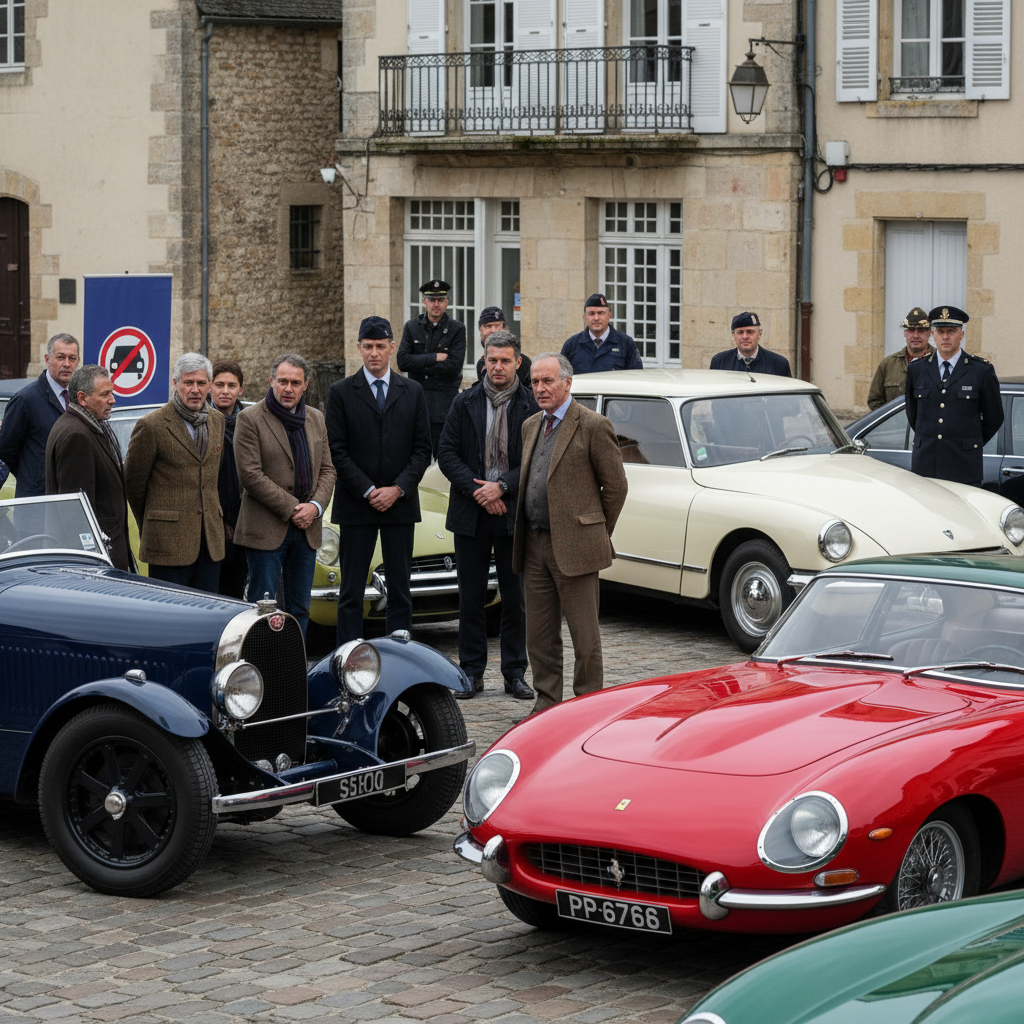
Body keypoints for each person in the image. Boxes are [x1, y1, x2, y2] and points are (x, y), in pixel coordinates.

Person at [512, 353, 627, 713]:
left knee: (584, 637)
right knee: (540, 635)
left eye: (548, 381)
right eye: (535, 382)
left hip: (575, 548)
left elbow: (616, 487)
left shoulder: (593, 425)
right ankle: (546, 705)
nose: (540, 389)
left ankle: (587, 706)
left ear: (567, 383)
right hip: (533, 545)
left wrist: (593, 531)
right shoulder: (531, 425)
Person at [439, 329, 539, 701]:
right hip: (471, 514)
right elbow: (446, 453)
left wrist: (503, 487)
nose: (497, 366)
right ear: (483, 361)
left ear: (517, 362)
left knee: (515, 600)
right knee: (471, 598)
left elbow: (534, 457)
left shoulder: (531, 406)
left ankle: (515, 673)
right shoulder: (463, 403)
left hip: (513, 514)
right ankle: (471, 671)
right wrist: (480, 490)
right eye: (491, 360)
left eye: (505, 360)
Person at [327, 316, 432, 645]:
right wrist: (370, 490)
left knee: (401, 588)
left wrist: (398, 489)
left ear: (391, 348)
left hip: (399, 506)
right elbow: (337, 451)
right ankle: (348, 655)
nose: (374, 353)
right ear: (359, 348)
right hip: (357, 505)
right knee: (351, 591)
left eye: (380, 347)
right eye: (368, 347)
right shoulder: (341, 392)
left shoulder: (412, 391)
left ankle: (400, 654)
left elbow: (422, 449)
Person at [233, 354, 335, 635]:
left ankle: (293, 673)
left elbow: (328, 470)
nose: (288, 388)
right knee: (263, 611)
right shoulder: (249, 419)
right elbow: (250, 475)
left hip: (307, 530)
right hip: (266, 530)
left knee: (300, 608)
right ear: (271, 381)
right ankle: (261, 671)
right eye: (282, 381)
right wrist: (294, 508)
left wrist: (314, 507)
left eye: (295, 382)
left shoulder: (316, 419)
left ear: (306, 385)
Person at [125, 353, 225, 592]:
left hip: (209, 542)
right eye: (188, 383)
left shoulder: (218, 420)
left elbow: (211, 477)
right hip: (167, 545)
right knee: (169, 619)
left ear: (210, 386)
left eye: (201, 383)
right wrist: (155, 522)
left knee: (207, 616)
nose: (195, 389)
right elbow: (134, 484)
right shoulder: (152, 425)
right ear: (175, 384)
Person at [44, 364, 133, 572]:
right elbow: (76, 514)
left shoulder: (87, 426)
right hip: (93, 564)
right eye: (105, 394)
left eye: (112, 393)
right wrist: (92, 564)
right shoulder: (77, 435)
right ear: (82, 398)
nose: (113, 400)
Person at [906, 305, 1003, 488]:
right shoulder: (917, 369)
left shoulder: (980, 371)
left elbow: (995, 417)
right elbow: (913, 414)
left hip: (964, 467)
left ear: (961, 335)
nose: (945, 336)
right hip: (926, 466)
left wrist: (969, 443)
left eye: (951, 331)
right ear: (933, 335)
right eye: (940, 331)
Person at [0, 333, 80, 497]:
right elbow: (6, 451)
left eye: (72, 358)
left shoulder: (80, 398)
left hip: (71, 499)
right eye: (60, 357)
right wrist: (34, 477)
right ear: (47, 359)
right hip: (36, 501)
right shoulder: (25, 400)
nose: (66, 364)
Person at [397, 279, 466, 459]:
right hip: (416, 397)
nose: (436, 304)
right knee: (415, 452)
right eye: (432, 300)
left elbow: (453, 366)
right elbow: (402, 362)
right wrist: (434, 357)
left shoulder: (457, 329)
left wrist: (418, 363)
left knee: (442, 454)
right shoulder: (412, 327)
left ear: (447, 302)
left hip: (444, 401)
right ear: (424, 302)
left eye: (440, 300)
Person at [211, 359, 248, 599]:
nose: (225, 391)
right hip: (212, 523)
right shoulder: (199, 420)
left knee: (237, 593)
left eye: (231, 385)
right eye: (219, 384)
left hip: (246, 521)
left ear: (240, 389)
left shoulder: (251, 421)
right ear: (210, 387)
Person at [868, 307, 934, 410]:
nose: (916, 335)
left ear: (930, 333)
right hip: (897, 426)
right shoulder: (888, 365)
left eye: (921, 330)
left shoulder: (940, 362)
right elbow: (875, 401)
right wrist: (893, 423)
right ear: (905, 333)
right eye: (911, 330)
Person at [561, 293, 643, 374]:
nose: (596, 318)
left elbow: (636, 376)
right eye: (591, 313)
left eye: (601, 313)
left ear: (609, 315)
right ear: (585, 316)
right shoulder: (571, 345)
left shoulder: (625, 343)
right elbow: (561, 378)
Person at [710, 312, 792, 376]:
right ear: (733, 335)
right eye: (740, 332)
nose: (745, 337)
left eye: (750, 332)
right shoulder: (719, 362)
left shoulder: (778, 363)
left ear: (759, 334)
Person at [473, 306, 532, 387]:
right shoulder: (480, 364)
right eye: (488, 326)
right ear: (481, 330)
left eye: (497, 326)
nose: (493, 330)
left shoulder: (524, 363)